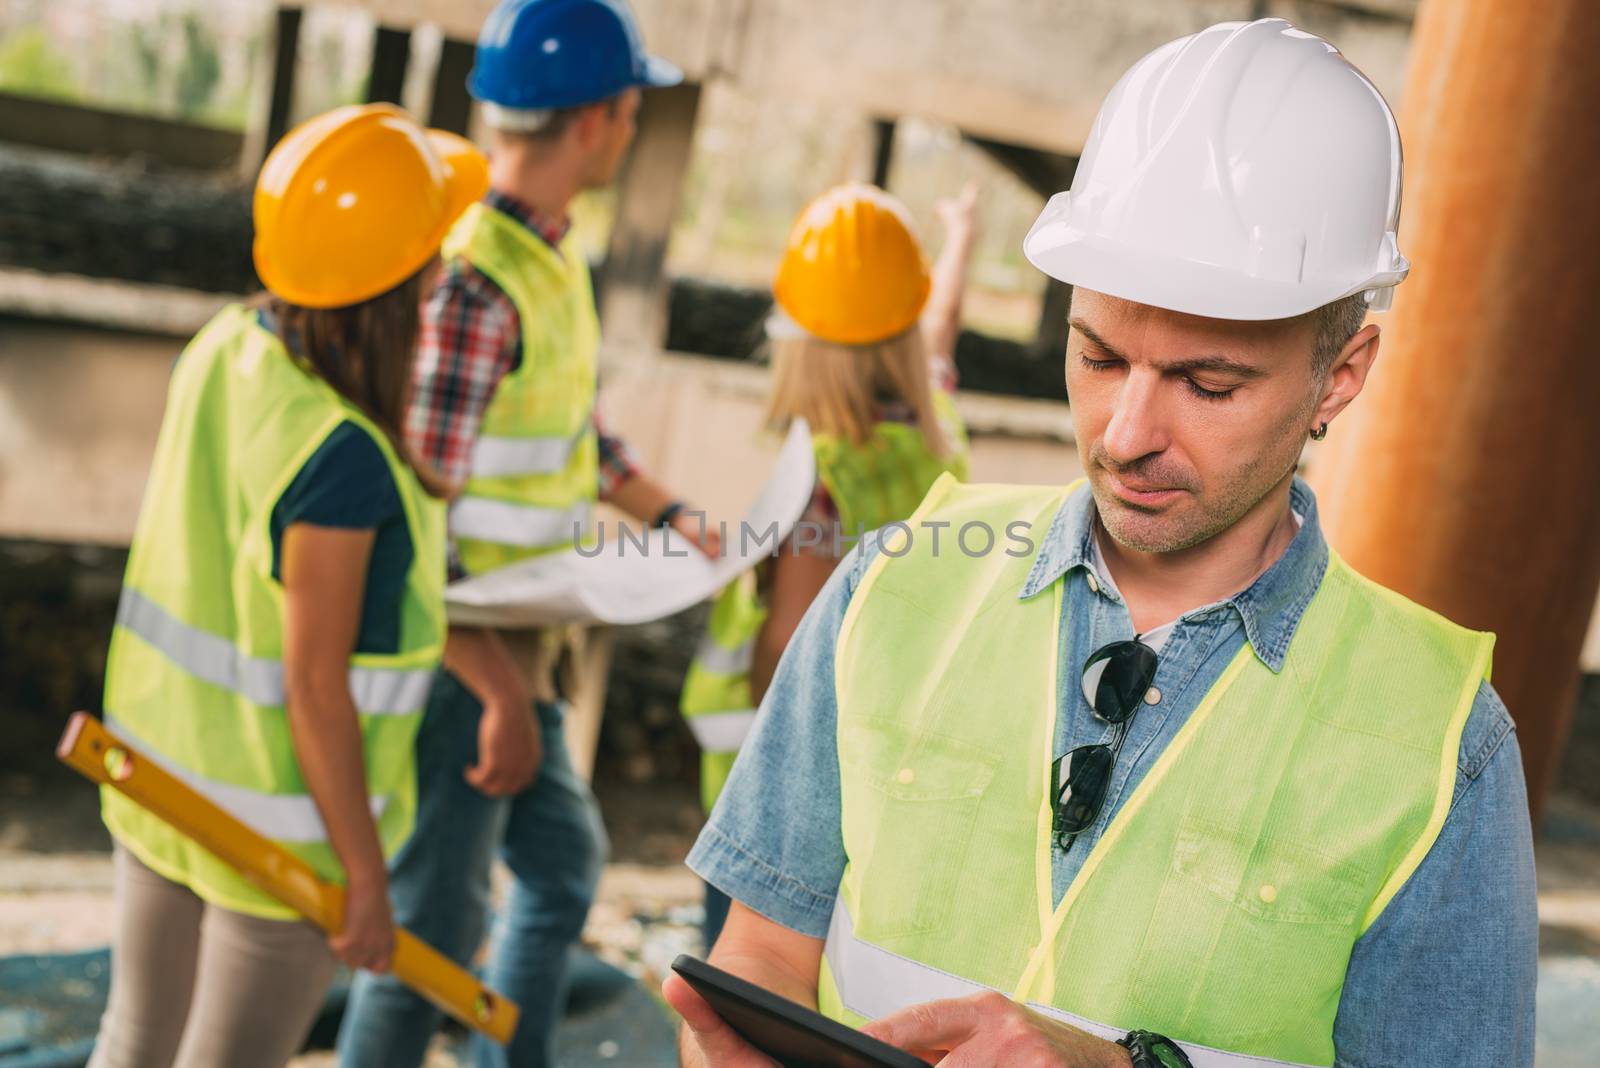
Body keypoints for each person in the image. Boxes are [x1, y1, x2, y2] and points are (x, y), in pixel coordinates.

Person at [664, 18, 1537, 1068]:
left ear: (1339, 374)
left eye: (1207, 385)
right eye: (1098, 355)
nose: (1124, 436)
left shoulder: (1442, 745)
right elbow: (758, 954)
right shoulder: (889, 590)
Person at [338, 2, 715, 1066]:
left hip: (516, 654)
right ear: (599, 116)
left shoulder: (542, 259)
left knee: (556, 869)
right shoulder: (476, 281)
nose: (637, 122)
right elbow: (406, 525)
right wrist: (498, 689)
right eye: (634, 103)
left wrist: (680, 520)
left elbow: (568, 435)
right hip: (464, 665)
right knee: (430, 937)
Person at [86, 104, 486, 1068]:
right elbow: (315, 684)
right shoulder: (340, 455)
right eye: (435, 252)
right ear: (399, 287)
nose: (446, 274)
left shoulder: (226, 346)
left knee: (131, 1041)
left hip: (159, 779)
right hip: (283, 835)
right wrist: (363, 879)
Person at [680, 181, 977, 950]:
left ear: (797, 338)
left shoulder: (820, 480)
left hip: (781, 790)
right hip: (887, 758)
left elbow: (785, 643)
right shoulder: (934, 427)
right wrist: (960, 240)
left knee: (745, 985)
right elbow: (935, 337)